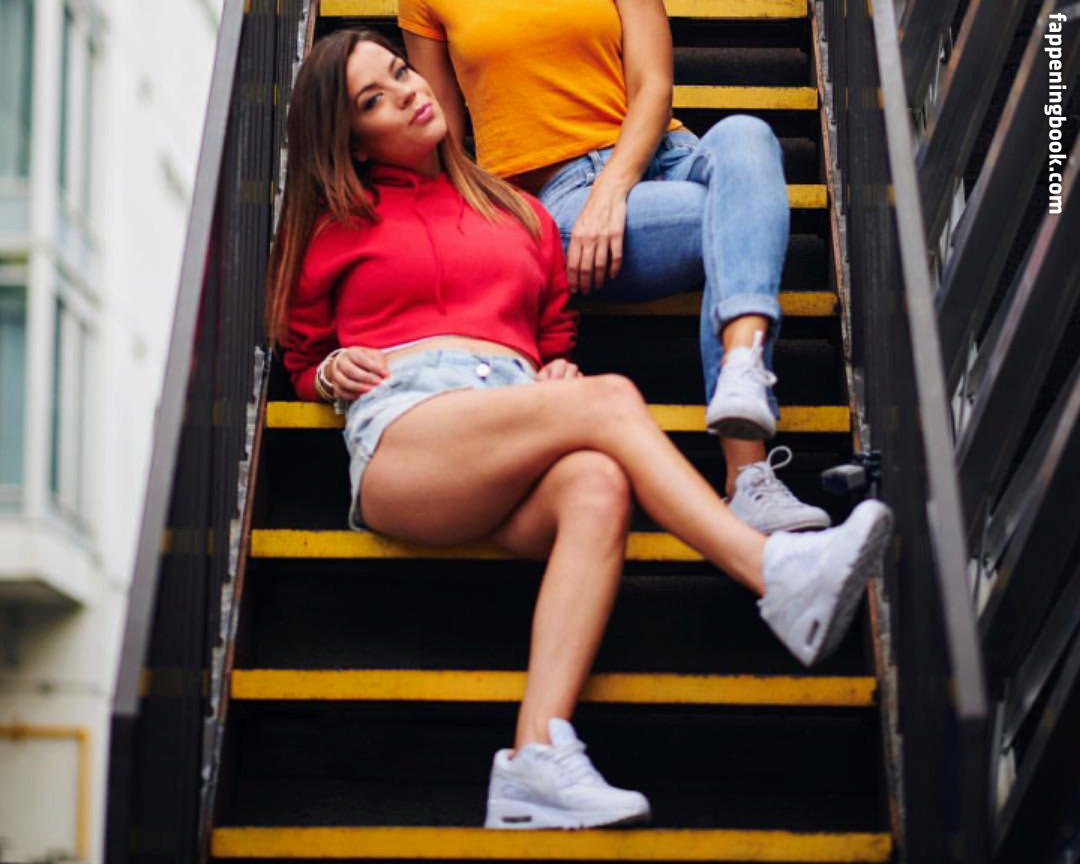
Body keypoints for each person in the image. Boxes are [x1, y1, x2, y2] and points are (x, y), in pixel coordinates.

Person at [268, 29, 893, 831]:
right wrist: (330, 370)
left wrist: (554, 375)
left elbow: (552, 337)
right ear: (352, 141)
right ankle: (771, 570)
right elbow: (301, 356)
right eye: (375, 100)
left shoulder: (518, 211)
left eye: (399, 72)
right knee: (612, 402)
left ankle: (535, 756)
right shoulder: (334, 225)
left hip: (503, 424)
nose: (409, 92)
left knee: (599, 483)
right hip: (407, 433)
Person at [399, 0, 831, 536]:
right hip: (561, 195)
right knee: (737, 214)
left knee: (748, 133)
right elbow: (440, 133)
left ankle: (742, 368)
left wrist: (611, 188)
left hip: (667, 155)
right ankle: (747, 472)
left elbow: (653, 86)